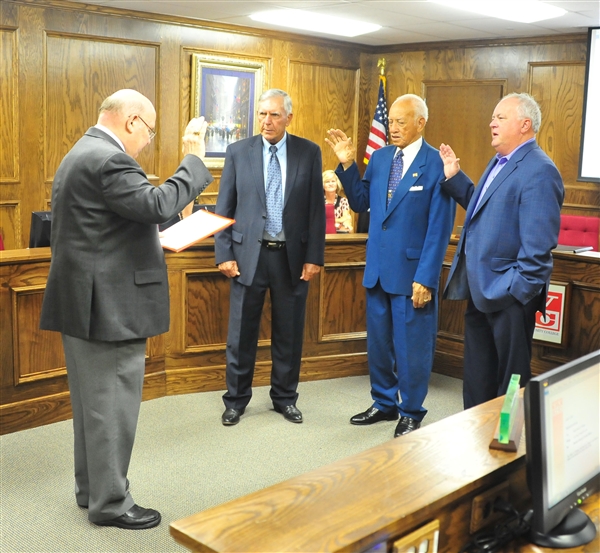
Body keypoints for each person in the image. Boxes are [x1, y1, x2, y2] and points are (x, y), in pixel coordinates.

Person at [39, 89, 213, 529]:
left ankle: (91, 490)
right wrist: (193, 159)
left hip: (86, 302)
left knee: (93, 409)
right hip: (109, 306)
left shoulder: (81, 151)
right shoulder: (110, 159)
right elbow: (156, 204)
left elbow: (122, 221)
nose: (148, 141)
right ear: (132, 121)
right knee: (113, 409)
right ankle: (111, 503)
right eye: (150, 132)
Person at [326, 94, 455, 437]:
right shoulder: (381, 158)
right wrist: (348, 165)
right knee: (379, 345)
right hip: (378, 272)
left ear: (420, 123)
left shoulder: (435, 164)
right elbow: (362, 203)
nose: (393, 128)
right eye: (392, 121)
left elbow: (439, 228)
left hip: (413, 275)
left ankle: (411, 410)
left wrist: (426, 278)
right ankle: (384, 403)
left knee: (412, 349)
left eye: (401, 122)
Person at [439, 92, 564, 409]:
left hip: (508, 297)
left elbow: (539, 249)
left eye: (500, 118)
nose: (491, 123)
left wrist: (514, 292)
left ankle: (508, 446)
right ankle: (477, 444)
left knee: (510, 384)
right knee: (478, 379)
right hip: (481, 290)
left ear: (525, 124)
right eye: (493, 117)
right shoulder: (499, 162)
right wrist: (454, 177)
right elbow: (484, 210)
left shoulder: (539, 170)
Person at [215, 89, 325, 426]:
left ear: (289, 118)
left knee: (289, 334)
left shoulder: (309, 152)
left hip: (290, 258)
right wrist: (224, 252)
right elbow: (225, 207)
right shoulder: (238, 152)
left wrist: (314, 256)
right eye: (262, 114)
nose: (267, 121)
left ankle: (285, 398)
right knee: (241, 334)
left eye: (274, 115)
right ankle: (235, 400)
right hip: (248, 256)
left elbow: (315, 211)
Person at [323, 169, 354, 234]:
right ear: (323, 185)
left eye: (333, 181)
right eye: (327, 182)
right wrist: (340, 220)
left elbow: (346, 217)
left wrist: (329, 221)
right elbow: (319, 221)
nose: (330, 184)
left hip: (339, 234)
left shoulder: (343, 201)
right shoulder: (319, 201)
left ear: (337, 183)